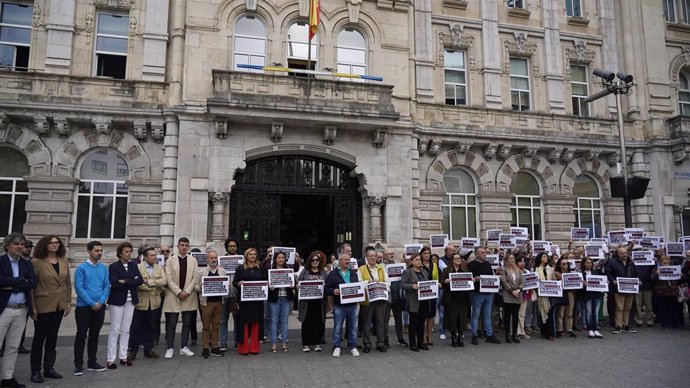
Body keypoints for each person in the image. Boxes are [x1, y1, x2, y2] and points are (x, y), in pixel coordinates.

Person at [29, 235, 71, 383]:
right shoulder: (36, 262)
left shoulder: (63, 260)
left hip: (59, 304)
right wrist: (32, 306)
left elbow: (67, 283)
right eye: (51, 243)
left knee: (53, 337)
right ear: (45, 245)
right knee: (40, 338)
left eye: (57, 243)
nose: (54, 245)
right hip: (43, 304)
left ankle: (49, 368)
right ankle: (35, 370)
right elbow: (32, 286)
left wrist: (68, 301)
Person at [0, 233, 36, 388]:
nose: (20, 247)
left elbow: (33, 282)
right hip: (3, 310)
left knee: (13, 346)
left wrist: (12, 285)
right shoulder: (1, 262)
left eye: (21, 244)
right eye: (16, 244)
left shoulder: (26, 264)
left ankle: (7, 378)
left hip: (21, 310)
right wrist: (21, 280)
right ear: (7, 246)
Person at [73, 241, 109, 376]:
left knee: (94, 336)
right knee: (81, 335)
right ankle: (78, 364)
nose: (99, 253)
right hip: (84, 307)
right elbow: (79, 288)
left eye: (101, 250)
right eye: (96, 250)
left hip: (100, 306)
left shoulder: (103, 268)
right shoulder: (81, 268)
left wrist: (100, 301)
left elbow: (106, 286)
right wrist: (91, 303)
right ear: (89, 251)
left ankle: (92, 362)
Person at [106, 242, 143, 369]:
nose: (128, 254)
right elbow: (114, 283)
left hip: (130, 300)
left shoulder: (133, 265)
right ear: (120, 253)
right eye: (126, 251)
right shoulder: (113, 266)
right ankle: (111, 359)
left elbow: (139, 281)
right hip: (117, 300)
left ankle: (123, 357)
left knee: (126, 329)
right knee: (115, 329)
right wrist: (131, 280)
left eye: (130, 251)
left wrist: (125, 280)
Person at [163, 237, 199, 358]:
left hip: (189, 296)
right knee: (171, 323)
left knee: (187, 323)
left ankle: (183, 346)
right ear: (177, 246)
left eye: (186, 245)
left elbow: (195, 277)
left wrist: (187, 291)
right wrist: (179, 292)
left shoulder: (193, 260)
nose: (184, 247)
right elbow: (168, 278)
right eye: (182, 245)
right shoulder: (170, 260)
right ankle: (170, 348)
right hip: (173, 295)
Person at [129, 246, 167, 360]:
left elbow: (164, 281)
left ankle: (148, 349)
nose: (154, 257)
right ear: (144, 257)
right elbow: (138, 283)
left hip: (154, 303)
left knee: (151, 327)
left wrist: (149, 282)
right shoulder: (137, 267)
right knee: (136, 327)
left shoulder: (159, 268)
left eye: (155, 255)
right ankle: (133, 350)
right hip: (141, 302)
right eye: (152, 255)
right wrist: (154, 286)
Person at [325, 253, 360, 358]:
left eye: (348, 259)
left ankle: (353, 346)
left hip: (352, 304)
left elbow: (357, 286)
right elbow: (326, 288)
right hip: (339, 305)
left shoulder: (354, 273)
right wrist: (333, 291)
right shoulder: (333, 274)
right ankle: (337, 346)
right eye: (345, 260)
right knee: (337, 327)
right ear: (339, 261)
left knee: (353, 327)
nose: (347, 261)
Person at [232, 248, 266, 355]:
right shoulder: (240, 268)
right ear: (246, 256)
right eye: (250, 254)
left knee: (256, 322)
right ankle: (244, 348)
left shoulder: (261, 268)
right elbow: (234, 282)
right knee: (244, 323)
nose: (252, 256)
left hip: (257, 301)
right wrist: (239, 283)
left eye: (254, 254)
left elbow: (265, 281)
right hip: (244, 301)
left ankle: (255, 348)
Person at [358, 247, 390, 353]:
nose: (372, 258)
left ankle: (380, 343)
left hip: (380, 299)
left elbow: (387, 282)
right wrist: (370, 284)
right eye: (370, 256)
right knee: (366, 323)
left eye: (374, 256)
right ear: (366, 257)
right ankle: (367, 344)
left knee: (380, 322)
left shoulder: (381, 268)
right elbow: (360, 283)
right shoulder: (361, 269)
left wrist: (380, 285)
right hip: (367, 300)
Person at [195, 250, 226, 358]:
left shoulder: (222, 271)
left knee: (216, 326)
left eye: (215, 257)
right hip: (206, 303)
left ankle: (215, 346)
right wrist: (201, 286)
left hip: (218, 302)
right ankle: (205, 348)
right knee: (206, 326)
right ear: (207, 259)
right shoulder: (201, 272)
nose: (213, 260)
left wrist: (227, 286)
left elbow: (225, 284)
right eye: (211, 258)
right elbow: (195, 286)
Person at [468, 246, 501, 345]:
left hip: (488, 293)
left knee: (487, 315)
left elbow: (490, 276)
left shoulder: (487, 264)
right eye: (482, 253)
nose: (485, 254)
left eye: (485, 253)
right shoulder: (471, 265)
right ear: (477, 254)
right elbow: (469, 278)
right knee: (476, 315)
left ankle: (489, 334)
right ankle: (474, 335)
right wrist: (475, 278)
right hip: (478, 293)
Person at [297, 251, 328, 352]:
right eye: (313, 260)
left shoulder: (323, 271)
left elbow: (327, 283)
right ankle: (306, 344)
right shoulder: (305, 271)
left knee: (318, 322)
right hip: (307, 302)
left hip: (319, 302)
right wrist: (298, 286)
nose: (315, 262)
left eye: (317, 260)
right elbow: (298, 282)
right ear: (309, 261)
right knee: (306, 322)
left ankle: (317, 343)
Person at [440, 252, 470, 347]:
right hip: (451, 298)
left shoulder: (465, 269)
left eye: (459, 259)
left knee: (462, 319)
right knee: (452, 319)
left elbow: (468, 281)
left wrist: (471, 280)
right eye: (456, 258)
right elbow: (441, 282)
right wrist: (446, 281)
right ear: (452, 260)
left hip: (462, 298)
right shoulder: (446, 270)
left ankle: (460, 336)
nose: (458, 260)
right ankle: (453, 337)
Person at [605, 246, 638, 334]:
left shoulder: (631, 263)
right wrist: (613, 280)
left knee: (627, 308)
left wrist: (639, 280)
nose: (624, 255)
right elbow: (607, 272)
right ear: (618, 254)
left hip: (630, 289)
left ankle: (626, 325)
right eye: (622, 253)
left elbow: (636, 273)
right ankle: (618, 325)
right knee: (619, 308)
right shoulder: (612, 262)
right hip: (618, 289)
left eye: (625, 253)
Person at [267, 252, 295, 352]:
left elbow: (294, 283)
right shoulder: (270, 271)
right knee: (274, 320)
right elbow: (266, 284)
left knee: (284, 321)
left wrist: (293, 285)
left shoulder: (289, 270)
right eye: (279, 257)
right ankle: (273, 343)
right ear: (275, 259)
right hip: (275, 298)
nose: (281, 259)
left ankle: (284, 342)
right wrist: (270, 286)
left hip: (286, 298)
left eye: (283, 257)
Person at [401, 254, 429, 351]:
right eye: (416, 260)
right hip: (413, 300)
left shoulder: (424, 272)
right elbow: (403, 285)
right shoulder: (407, 272)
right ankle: (413, 343)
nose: (419, 261)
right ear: (412, 261)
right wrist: (412, 286)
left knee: (422, 322)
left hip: (424, 300)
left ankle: (421, 342)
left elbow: (427, 284)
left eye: (420, 260)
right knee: (413, 323)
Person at [383, 249, 407, 348]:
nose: (392, 255)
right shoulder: (381, 267)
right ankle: (385, 339)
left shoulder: (397, 265)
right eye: (389, 254)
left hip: (397, 296)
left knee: (398, 319)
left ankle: (400, 338)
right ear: (384, 256)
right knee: (385, 319)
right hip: (387, 297)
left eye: (393, 253)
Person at [500, 254, 525, 344]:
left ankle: (515, 334)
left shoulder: (518, 270)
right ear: (506, 260)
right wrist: (511, 291)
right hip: (508, 294)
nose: (512, 260)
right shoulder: (504, 269)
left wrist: (518, 290)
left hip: (517, 294)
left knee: (515, 315)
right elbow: (504, 281)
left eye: (513, 258)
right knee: (508, 315)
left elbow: (523, 281)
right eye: (510, 258)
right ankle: (507, 334)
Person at [651, 255, 681, 329]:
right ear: (661, 262)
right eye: (664, 263)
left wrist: (681, 275)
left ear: (670, 262)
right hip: (661, 292)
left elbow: (680, 280)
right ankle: (665, 324)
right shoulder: (657, 269)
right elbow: (651, 279)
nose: (666, 264)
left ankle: (674, 323)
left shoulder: (675, 269)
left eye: (667, 263)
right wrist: (656, 274)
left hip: (672, 292)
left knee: (673, 308)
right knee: (663, 309)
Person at [220, 238, 239, 351]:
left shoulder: (241, 261)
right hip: (224, 295)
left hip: (236, 295)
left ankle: (237, 342)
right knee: (223, 321)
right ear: (227, 247)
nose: (232, 248)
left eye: (234, 246)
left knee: (237, 320)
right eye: (230, 246)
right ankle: (223, 343)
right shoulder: (221, 261)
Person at [579, 257, 604, 338]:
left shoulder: (596, 272)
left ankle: (595, 329)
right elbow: (579, 286)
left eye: (590, 263)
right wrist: (583, 284)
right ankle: (590, 329)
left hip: (597, 295)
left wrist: (605, 283)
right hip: (587, 295)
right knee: (589, 312)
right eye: (587, 263)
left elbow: (601, 281)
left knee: (595, 313)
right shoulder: (581, 274)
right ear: (583, 264)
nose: (589, 264)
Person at [419, 247, 438, 345]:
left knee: (431, 315)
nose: (427, 255)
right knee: (422, 315)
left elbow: (436, 277)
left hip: (432, 292)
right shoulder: (419, 264)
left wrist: (438, 283)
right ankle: (421, 336)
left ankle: (429, 336)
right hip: (422, 292)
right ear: (421, 254)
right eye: (425, 253)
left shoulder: (434, 265)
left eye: (428, 253)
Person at [16, 240, 32, 356]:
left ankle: (20, 344)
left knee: (23, 322)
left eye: (30, 247)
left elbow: (33, 281)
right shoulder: (16, 261)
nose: (28, 249)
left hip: (27, 297)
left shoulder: (31, 261)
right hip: (13, 297)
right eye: (26, 247)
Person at [554, 257, 576, 338]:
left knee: (570, 313)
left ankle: (569, 329)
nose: (566, 265)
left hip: (570, 293)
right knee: (560, 313)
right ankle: (559, 329)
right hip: (561, 293)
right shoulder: (556, 273)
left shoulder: (571, 273)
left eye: (567, 263)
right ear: (560, 265)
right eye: (563, 264)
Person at [534, 252, 554, 341]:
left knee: (549, 313)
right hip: (541, 294)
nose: (546, 258)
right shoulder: (537, 269)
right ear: (540, 258)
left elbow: (554, 280)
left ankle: (550, 333)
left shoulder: (550, 269)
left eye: (546, 257)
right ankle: (543, 331)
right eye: (544, 257)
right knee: (542, 312)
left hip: (550, 293)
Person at [153, 244, 171, 345]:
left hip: (169, 294)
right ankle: (155, 338)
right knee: (156, 318)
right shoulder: (155, 265)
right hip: (158, 293)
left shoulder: (172, 263)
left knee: (169, 318)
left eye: (167, 251)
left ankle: (169, 337)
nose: (165, 253)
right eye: (162, 251)